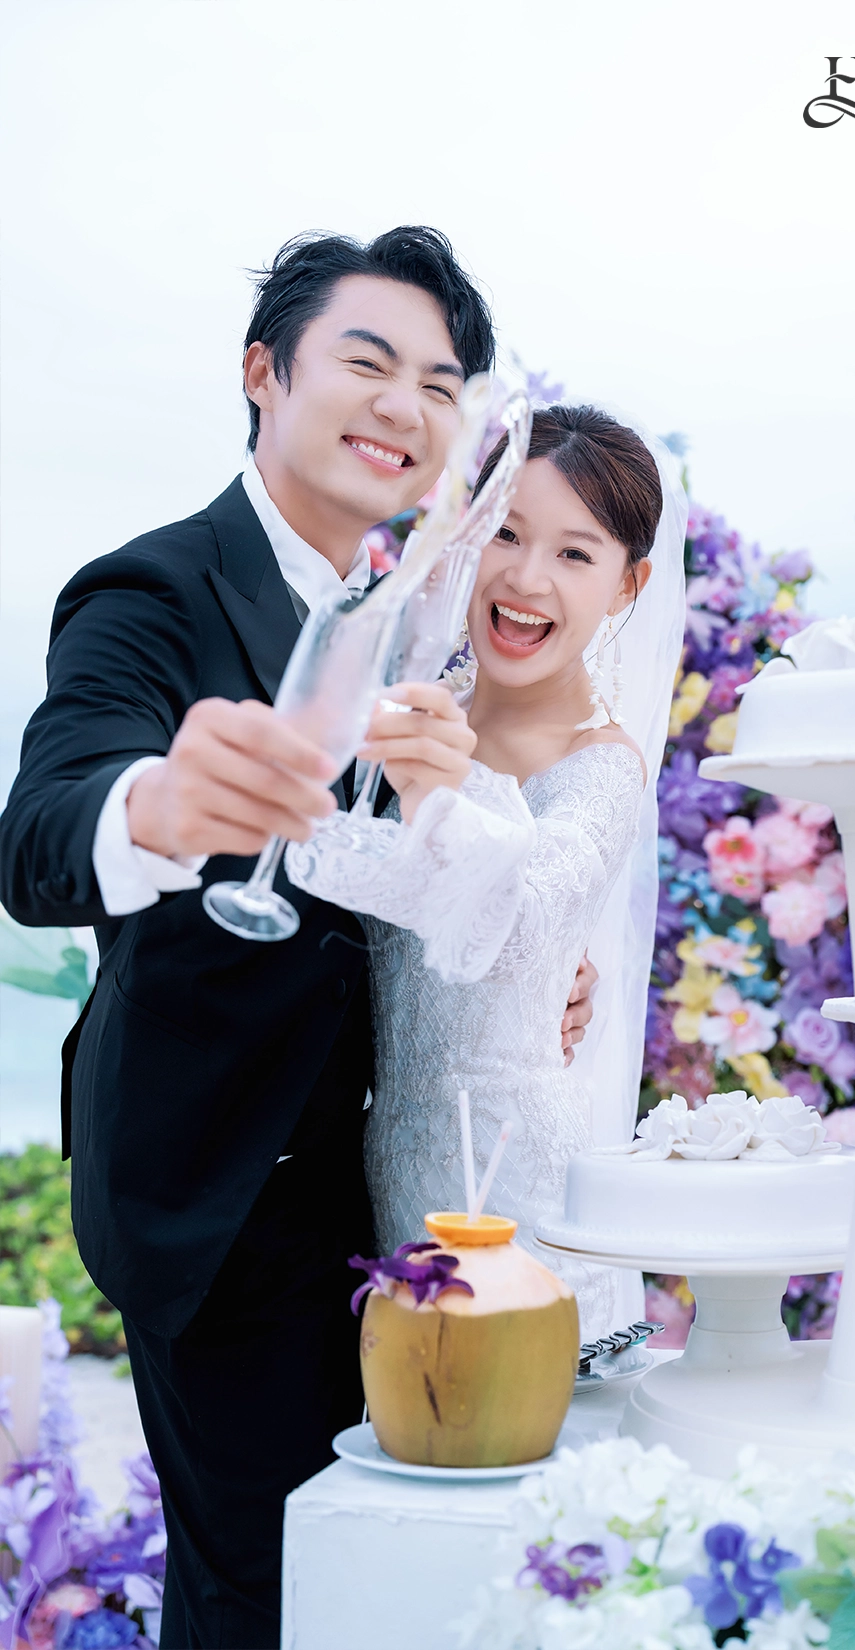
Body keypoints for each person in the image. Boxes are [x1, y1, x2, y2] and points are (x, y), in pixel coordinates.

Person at [0, 229, 596, 1650]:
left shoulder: (412, 613)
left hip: (383, 1191)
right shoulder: (151, 589)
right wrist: (156, 805)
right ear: (264, 373)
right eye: (368, 362)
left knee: (379, 1579)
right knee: (261, 1591)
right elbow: (38, 834)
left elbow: (406, 879)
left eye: (440, 385)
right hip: (220, 1189)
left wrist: (518, 958)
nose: (406, 406)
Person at [285, 405, 688, 1336]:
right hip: (383, 1171)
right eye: (506, 532)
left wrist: (444, 786)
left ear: (628, 585)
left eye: (575, 554)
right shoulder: (408, 709)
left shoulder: (602, 766)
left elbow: (519, 923)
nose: (526, 577)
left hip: (519, 1188)